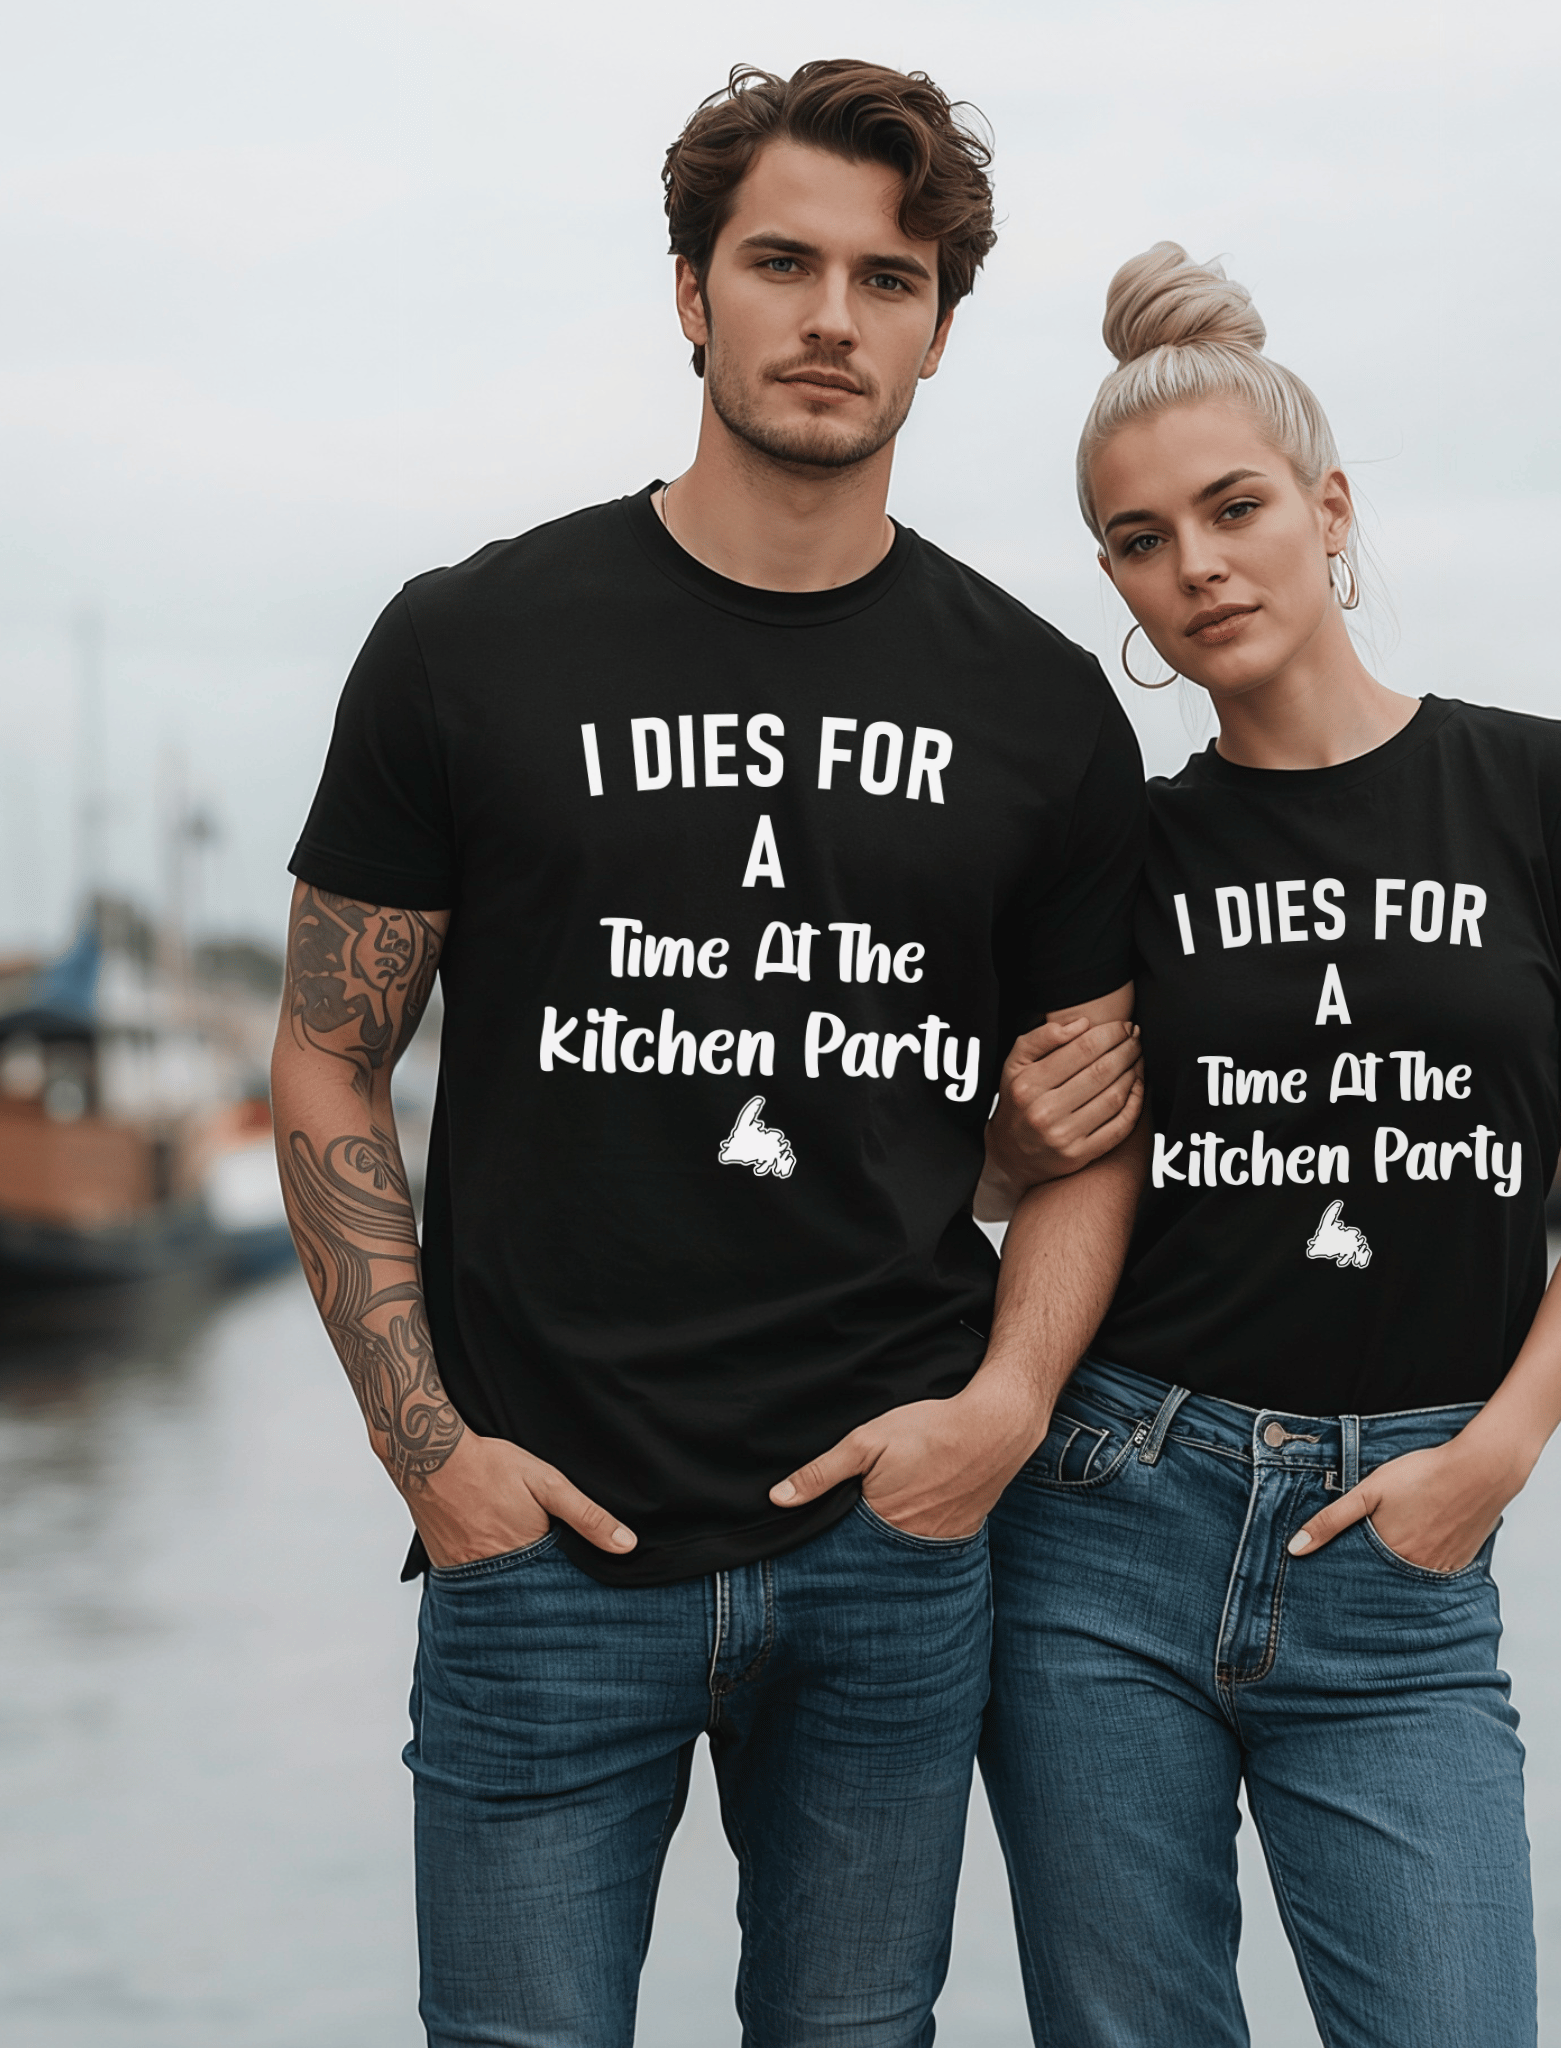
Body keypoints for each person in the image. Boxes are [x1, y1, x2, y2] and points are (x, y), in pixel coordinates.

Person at [270, 61, 1146, 2048]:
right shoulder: (466, 646)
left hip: (888, 1550)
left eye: (888, 277)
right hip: (537, 1543)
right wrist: (430, 1452)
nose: (833, 315)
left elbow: (1093, 1132)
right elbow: (326, 1058)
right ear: (691, 293)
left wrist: (998, 1415)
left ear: (937, 327)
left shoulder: (1037, 707)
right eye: (781, 262)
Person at [973, 244, 1561, 2048]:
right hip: (1106, 1523)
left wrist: (1502, 1449)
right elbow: (1027, 1170)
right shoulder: (1117, 855)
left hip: (1404, 1539)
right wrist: (999, 1156)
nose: (1197, 568)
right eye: (1141, 543)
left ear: (1328, 511)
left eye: (1233, 510)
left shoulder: (1543, 789)